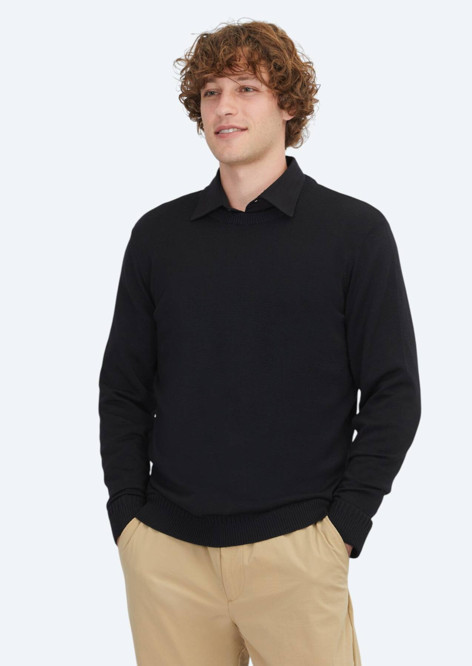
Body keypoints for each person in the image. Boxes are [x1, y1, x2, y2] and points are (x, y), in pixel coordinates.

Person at [98, 18, 421, 666]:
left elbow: (394, 394)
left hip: (298, 553)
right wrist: (129, 520)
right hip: (169, 558)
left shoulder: (353, 233)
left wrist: (342, 529)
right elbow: (124, 390)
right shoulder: (159, 237)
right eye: (212, 92)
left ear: (288, 105)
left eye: (247, 88)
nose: (225, 107)